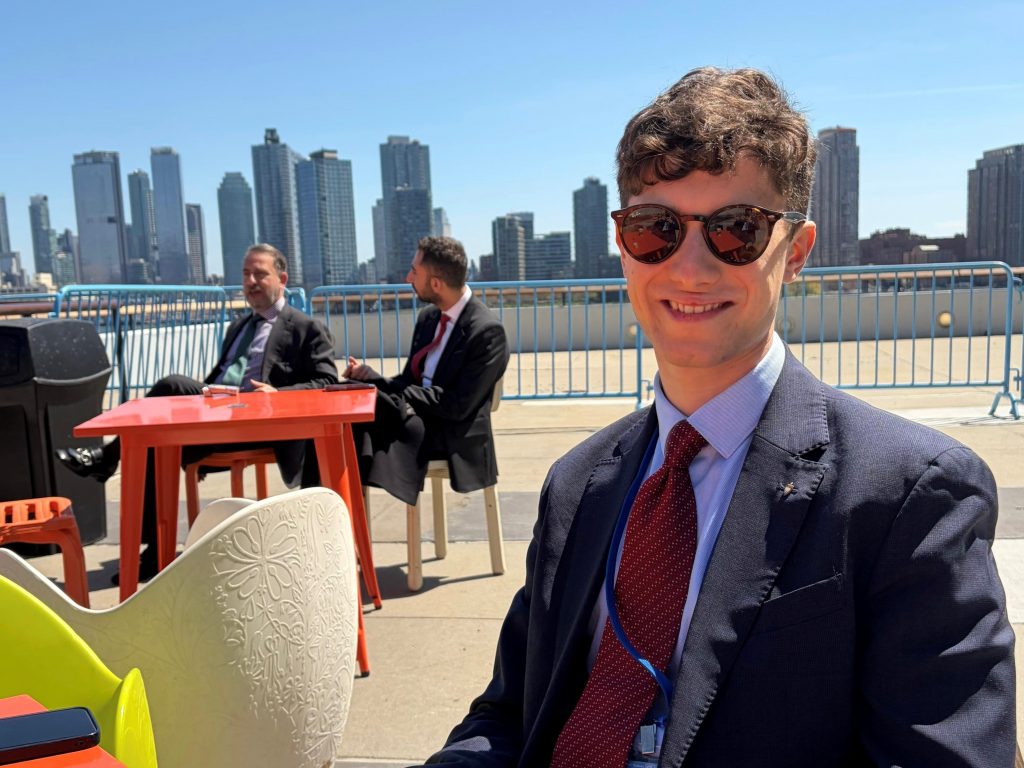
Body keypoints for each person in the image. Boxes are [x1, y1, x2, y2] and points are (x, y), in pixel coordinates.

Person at [420, 68, 1015, 767]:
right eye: (656, 228)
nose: (691, 269)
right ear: (623, 245)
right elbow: (512, 712)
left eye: (737, 230)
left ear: (795, 252)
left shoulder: (911, 496)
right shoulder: (577, 485)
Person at [57, 243, 338, 581]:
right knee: (153, 440)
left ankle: (107, 459)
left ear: (282, 279)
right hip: (217, 412)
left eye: (260, 274)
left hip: (260, 423)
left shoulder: (306, 327)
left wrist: (278, 394)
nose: (250, 281)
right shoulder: (238, 327)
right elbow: (218, 379)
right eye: (245, 274)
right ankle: (155, 552)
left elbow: (327, 381)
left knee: (172, 385)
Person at [343, 235, 509, 508]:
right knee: (349, 419)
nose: (408, 278)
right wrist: (373, 378)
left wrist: (391, 390)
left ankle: (352, 525)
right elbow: (410, 381)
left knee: (361, 432)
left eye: (414, 271)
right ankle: (345, 522)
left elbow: (458, 406)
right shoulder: (429, 318)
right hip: (417, 416)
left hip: (452, 434)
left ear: (436, 284)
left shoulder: (487, 332)